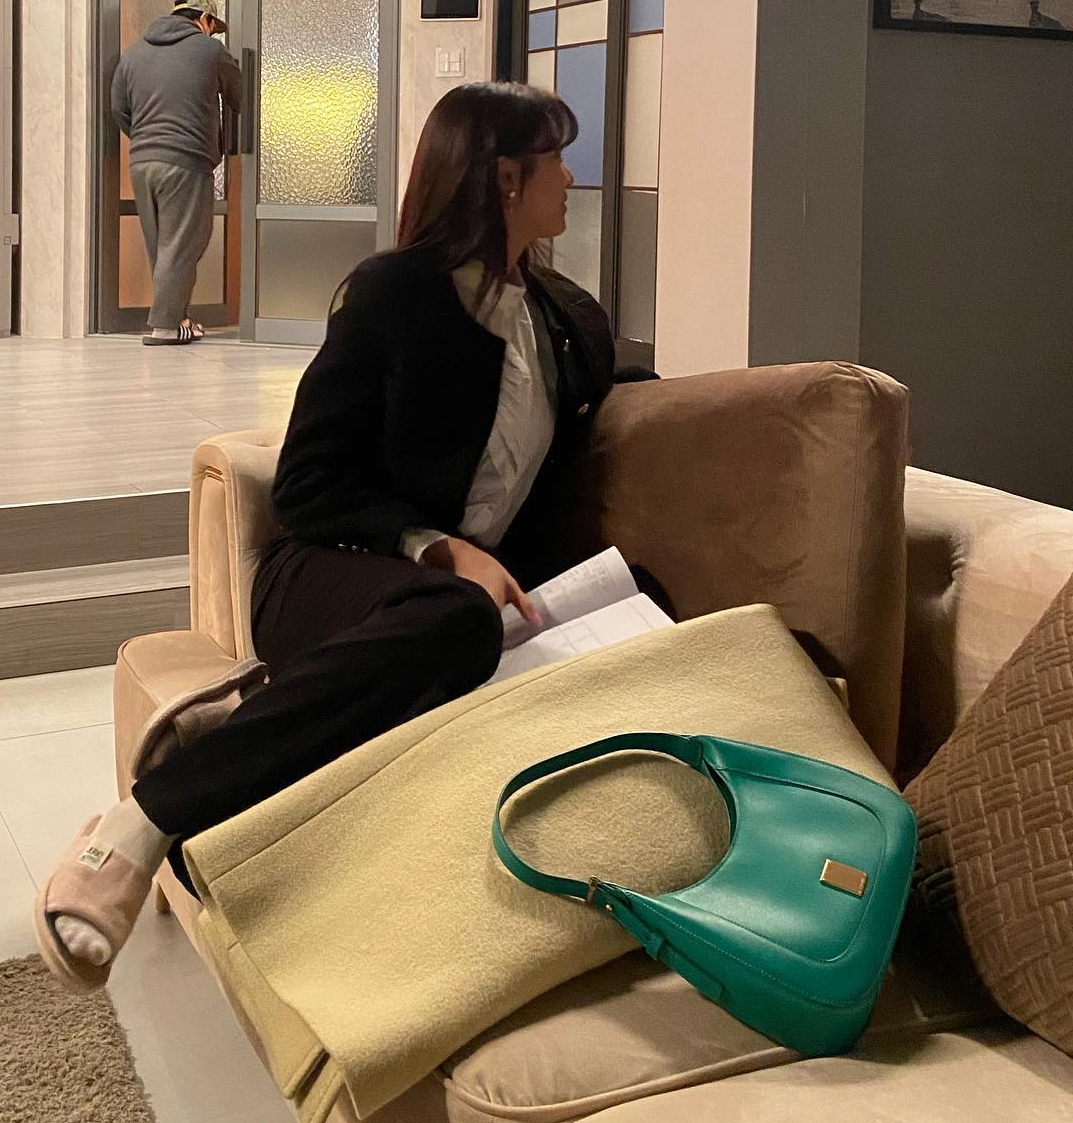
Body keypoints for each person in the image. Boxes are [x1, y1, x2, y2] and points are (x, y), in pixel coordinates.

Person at [37, 80, 660, 990]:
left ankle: (250, 722)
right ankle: (142, 822)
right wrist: (437, 546)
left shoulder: (565, 318)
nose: (571, 176)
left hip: (456, 604)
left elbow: (608, 403)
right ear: (501, 179)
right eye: (554, 158)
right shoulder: (392, 297)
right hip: (331, 569)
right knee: (456, 619)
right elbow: (308, 485)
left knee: (642, 600)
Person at [110, 0, 242, 346]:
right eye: (214, 28)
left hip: (142, 162)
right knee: (184, 243)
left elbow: (118, 108)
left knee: (163, 247)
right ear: (205, 20)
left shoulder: (133, 53)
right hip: (186, 160)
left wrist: (146, 138)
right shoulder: (210, 50)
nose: (213, 34)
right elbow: (240, 95)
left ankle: (178, 318)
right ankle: (166, 326)